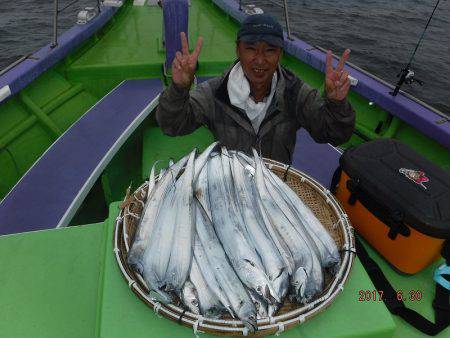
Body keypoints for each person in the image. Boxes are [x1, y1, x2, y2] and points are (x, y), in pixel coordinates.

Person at [156, 14, 355, 164]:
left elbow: (333, 134)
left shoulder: (295, 93)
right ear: (238, 50)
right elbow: (172, 125)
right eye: (251, 49)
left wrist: (336, 103)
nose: (260, 60)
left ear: (280, 54)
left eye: (269, 50)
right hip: (229, 184)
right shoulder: (216, 92)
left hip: (275, 188)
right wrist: (179, 88)